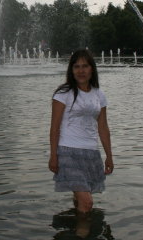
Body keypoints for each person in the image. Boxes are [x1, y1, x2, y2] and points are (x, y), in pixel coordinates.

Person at [49, 49, 113, 217]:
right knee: (87, 202)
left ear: (92, 69)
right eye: (76, 67)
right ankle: (82, 229)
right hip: (68, 152)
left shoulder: (99, 94)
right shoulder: (63, 94)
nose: (81, 71)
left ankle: (73, 227)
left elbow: (103, 127)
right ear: (71, 70)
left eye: (85, 66)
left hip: (91, 152)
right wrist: (53, 156)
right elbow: (54, 128)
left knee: (80, 201)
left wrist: (109, 156)